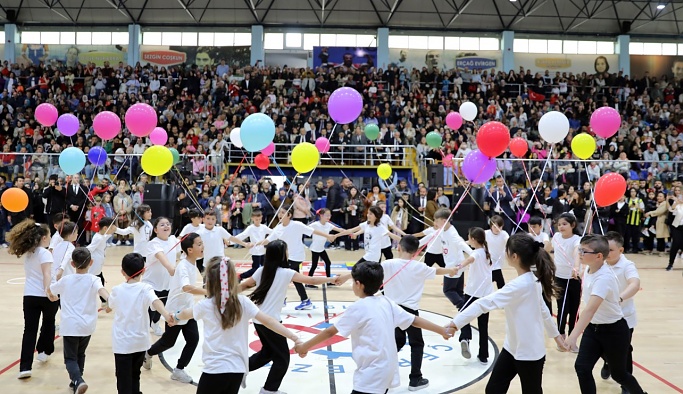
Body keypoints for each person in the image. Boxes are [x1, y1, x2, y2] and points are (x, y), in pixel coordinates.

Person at [295, 261, 454, 394]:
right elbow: (414, 320)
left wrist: (304, 346)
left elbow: (330, 331)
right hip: (388, 371)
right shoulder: (387, 302)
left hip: (371, 374)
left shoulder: (358, 307)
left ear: (358, 284)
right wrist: (442, 330)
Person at [446, 233, 565, 393]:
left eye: (506, 250)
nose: (504, 253)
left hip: (530, 353)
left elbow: (483, 304)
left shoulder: (521, 285)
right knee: (494, 389)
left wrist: (455, 323)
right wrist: (556, 336)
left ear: (514, 256)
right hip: (512, 348)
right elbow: (543, 309)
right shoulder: (531, 279)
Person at [337, 236, 458, 391]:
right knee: (416, 344)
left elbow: (365, 271)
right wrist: (451, 270)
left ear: (399, 248)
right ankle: (415, 378)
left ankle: (383, 370)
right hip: (409, 312)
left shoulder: (388, 264)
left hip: (391, 310)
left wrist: (345, 276)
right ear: (416, 252)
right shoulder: (420, 267)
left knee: (396, 342)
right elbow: (437, 270)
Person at [173, 256, 302, 394]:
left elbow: (186, 314)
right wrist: (295, 338)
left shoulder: (205, 305)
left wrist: (175, 317)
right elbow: (269, 321)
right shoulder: (243, 302)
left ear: (208, 281)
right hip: (237, 371)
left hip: (214, 370)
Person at [239, 240, 337, 393]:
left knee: (268, 352)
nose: (288, 253)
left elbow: (244, 285)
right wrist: (331, 279)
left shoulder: (261, 270)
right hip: (271, 322)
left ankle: (240, 370)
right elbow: (312, 280)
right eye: (286, 250)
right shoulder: (287, 273)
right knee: (282, 359)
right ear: (282, 255)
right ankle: (268, 390)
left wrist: (225, 293)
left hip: (258, 319)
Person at [564, 235, 646, 394]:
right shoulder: (589, 268)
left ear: (599, 256)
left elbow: (589, 310)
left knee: (619, 374)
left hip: (614, 331)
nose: (580, 253)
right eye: (580, 250)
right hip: (593, 329)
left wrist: (573, 336)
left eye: (584, 251)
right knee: (582, 367)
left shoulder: (604, 277)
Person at [108, 252, 174, 394]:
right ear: (143, 271)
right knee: (135, 375)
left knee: (123, 380)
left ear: (122, 272)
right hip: (140, 342)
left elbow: (110, 305)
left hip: (122, 344)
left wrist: (107, 306)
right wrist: (167, 315)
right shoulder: (146, 288)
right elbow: (156, 302)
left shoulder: (117, 290)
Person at [47, 247, 110, 394]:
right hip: (87, 326)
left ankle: (78, 380)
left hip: (70, 326)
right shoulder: (94, 279)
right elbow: (103, 292)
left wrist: (50, 294)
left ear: (72, 264)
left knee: (70, 358)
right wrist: (110, 301)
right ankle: (75, 381)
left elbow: (51, 290)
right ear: (91, 262)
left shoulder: (66, 280)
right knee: (80, 354)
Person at [144, 233, 205, 384]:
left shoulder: (192, 262)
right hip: (175, 310)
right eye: (199, 244)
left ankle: (178, 370)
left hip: (188, 308)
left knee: (193, 339)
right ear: (190, 250)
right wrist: (207, 292)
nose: (202, 246)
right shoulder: (183, 266)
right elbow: (186, 287)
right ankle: (148, 353)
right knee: (168, 342)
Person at [7, 220, 58, 379]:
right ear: (43, 238)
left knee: (29, 331)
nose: (51, 237)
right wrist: (48, 291)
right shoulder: (44, 253)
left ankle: (24, 367)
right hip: (45, 295)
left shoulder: (29, 252)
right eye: (49, 235)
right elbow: (47, 274)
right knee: (49, 323)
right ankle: (43, 352)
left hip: (29, 296)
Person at [259, 205, 335, 311]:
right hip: (286, 257)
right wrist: (255, 244)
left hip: (297, 256)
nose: (279, 215)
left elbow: (313, 231)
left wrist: (328, 236)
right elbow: (269, 239)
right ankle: (305, 300)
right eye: (279, 212)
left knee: (281, 276)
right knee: (295, 279)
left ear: (289, 215)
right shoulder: (278, 227)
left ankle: (281, 300)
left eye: (282, 212)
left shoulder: (297, 225)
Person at [600, 232, 641, 392]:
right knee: (603, 349)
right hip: (602, 317)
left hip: (624, 318)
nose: (606, 253)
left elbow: (634, 284)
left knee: (625, 351)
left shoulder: (627, 265)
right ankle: (608, 362)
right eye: (604, 249)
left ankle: (626, 383)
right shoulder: (599, 263)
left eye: (610, 250)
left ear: (621, 250)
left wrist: (620, 298)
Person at [456, 227, 494, 364]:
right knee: (483, 326)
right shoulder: (486, 251)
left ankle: (465, 338)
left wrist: (458, 267)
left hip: (473, 293)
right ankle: (483, 355)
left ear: (473, 239)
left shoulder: (477, 253)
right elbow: (468, 245)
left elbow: (469, 259)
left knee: (463, 316)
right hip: (487, 295)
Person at [547, 213, 581, 350]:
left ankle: (572, 340)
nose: (561, 227)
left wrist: (576, 267)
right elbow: (547, 249)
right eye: (559, 224)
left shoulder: (577, 239)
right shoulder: (555, 237)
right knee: (562, 308)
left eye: (564, 224)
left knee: (574, 310)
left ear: (572, 225)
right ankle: (561, 338)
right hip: (559, 278)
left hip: (574, 278)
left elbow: (576, 252)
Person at [143, 217, 180, 336]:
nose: (166, 226)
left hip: (167, 282)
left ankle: (155, 323)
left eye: (168, 224)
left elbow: (179, 254)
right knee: (150, 307)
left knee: (162, 305)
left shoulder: (173, 240)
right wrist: (170, 268)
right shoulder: (153, 243)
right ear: (155, 230)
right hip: (151, 283)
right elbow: (161, 256)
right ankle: (144, 328)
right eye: (162, 225)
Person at [306, 208, 346, 287]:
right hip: (315, 249)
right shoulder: (315, 224)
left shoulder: (329, 225)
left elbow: (339, 229)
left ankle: (329, 281)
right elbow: (305, 228)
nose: (328, 217)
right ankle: (308, 283)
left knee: (328, 263)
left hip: (321, 248)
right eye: (326, 215)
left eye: (329, 215)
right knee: (314, 265)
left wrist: (349, 232)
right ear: (321, 215)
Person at [87, 217, 118, 308]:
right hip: (94, 265)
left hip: (98, 265)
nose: (113, 230)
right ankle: (95, 301)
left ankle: (104, 301)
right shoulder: (98, 238)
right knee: (94, 283)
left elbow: (109, 233)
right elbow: (90, 248)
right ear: (105, 228)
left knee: (101, 280)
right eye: (112, 228)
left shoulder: (102, 235)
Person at [235, 209, 272, 280]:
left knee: (264, 267)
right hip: (255, 251)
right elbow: (242, 235)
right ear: (252, 218)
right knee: (255, 269)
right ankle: (241, 276)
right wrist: (231, 239)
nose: (258, 221)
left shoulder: (263, 227)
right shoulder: (250, 228)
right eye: (256, 219)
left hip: (262, 251)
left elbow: (273, 232)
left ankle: (261, 280)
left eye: (259, 219)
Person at [486, 215, 510, 289]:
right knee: (499, 282)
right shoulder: (486, 233)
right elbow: (475, 240)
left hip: (499, 262)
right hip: (489, 262)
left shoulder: (504, 234)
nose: (497, 229)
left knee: (493, 280)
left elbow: (508, 240)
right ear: (491, 226)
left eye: (499, 227)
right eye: (495, 227)